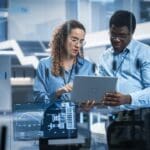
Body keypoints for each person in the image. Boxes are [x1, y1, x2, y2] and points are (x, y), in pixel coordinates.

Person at [33, 20, 94, 105]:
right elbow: (37, 99)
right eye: (74, 40)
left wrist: (90, 104)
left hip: (79, 116)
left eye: (81, 41)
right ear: (62, 39)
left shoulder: (88, 66)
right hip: (53, 116)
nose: (78, 45)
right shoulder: (44, 65)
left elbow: (93, 97)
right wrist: (58, 93)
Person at [98, 10, 150, 109]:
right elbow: (99, 90)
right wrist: (90, 101)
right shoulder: (104, 57)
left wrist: (128, 98)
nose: (117, 39)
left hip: (141, 119)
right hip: (111, 119)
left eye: (122, 36)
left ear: (132, 32)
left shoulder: (146, 53)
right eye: (113, 34)